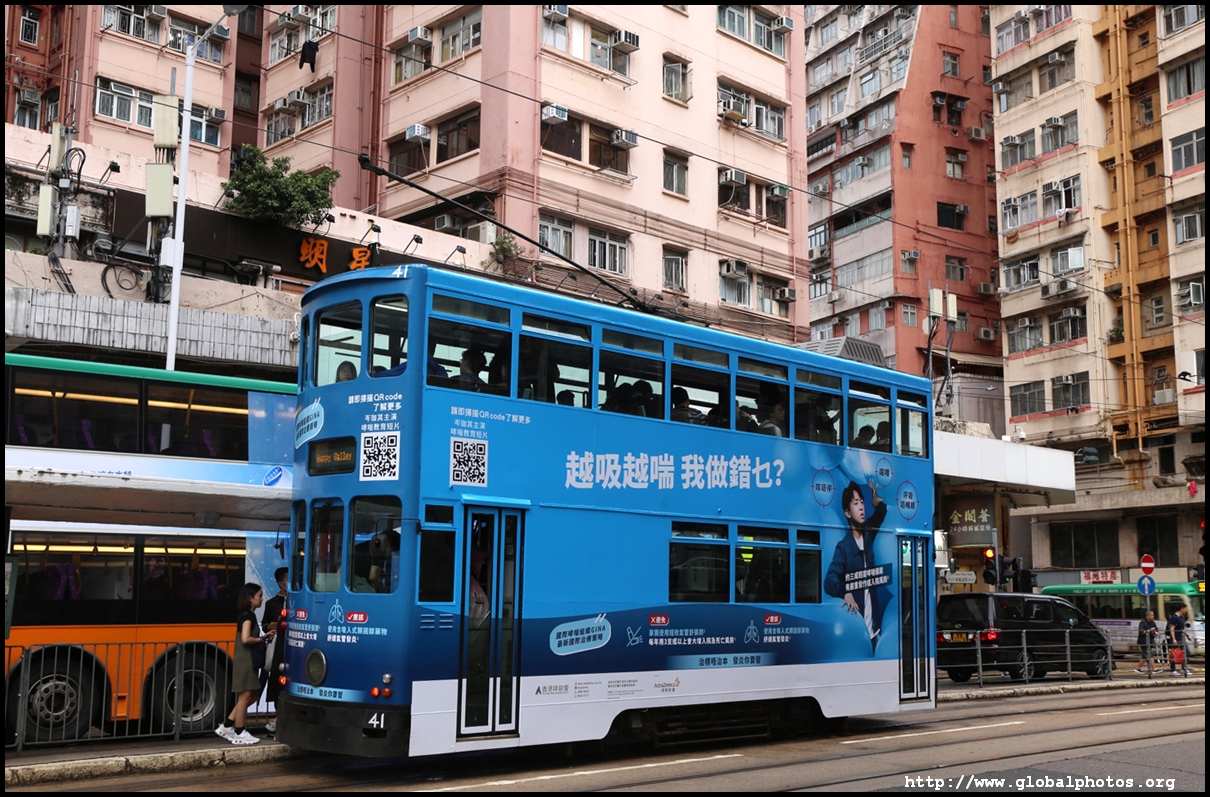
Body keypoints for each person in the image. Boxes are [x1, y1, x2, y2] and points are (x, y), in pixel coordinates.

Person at [824, 480, 889, 655]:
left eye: (861, 501)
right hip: (856, 632)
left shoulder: (867, 534)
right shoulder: (843, 548)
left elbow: (880, 515)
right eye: (855, 503)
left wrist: (877, 503)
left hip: (873, 631)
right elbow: (829, 581)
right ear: (847, 512)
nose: (861, 507)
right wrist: (845, 591)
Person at [216, 583, 275, 745]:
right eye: (259, 596)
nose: (262, 599)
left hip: (246, 660)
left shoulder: (246, 615)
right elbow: (245, 639)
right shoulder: (249, 616)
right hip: (246, 661)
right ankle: (239, 731)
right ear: (250, 598)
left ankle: (227, 725)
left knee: (253, 696)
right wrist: (262, 638)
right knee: (245, 697)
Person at [261, 567, 288, 734]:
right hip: (278, 648)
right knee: (277, 682)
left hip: (293, 648)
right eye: (287, 579)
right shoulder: (271, 603)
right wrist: (268, 626)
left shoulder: (298, 600)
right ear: (280, 583)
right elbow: (264, 624)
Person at [1167, 605, 1191, 676]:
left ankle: (1183, 668)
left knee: (1187, 653)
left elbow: (1183, 628)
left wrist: (1188, 636)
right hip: (1175, 638)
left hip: (1181, 637)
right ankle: (1173, 670)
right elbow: (1172, 628)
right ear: (1181, 609)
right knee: (1173, 653)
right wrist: (1174, 639)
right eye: (1185, 609)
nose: (1186, 610)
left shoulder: (1182, 617)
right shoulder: (1174, 617)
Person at [1134, 609, 1159, 674]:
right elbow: (1141, 632)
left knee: (1145, 656)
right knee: (1149, 654)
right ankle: (1154, 669)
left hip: (1150, 641)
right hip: (1143, 641)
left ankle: (1138, 668)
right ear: (1147, 616)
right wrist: (1149, 630)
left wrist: (1156, 633)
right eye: (1151, 615)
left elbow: (1156, 629)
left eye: (1153, 615)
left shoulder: (1153, 623)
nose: (1153, 616)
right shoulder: (1142, 622)